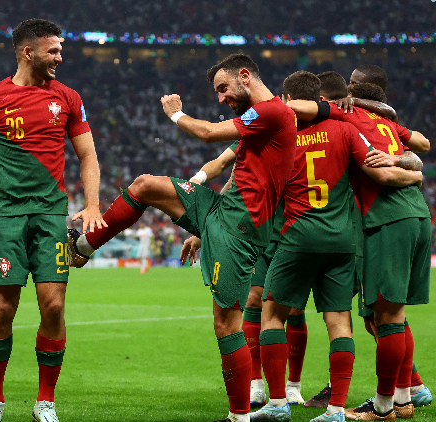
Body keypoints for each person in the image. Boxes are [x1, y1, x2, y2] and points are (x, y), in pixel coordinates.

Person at [69, 53, 297, 422]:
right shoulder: (260, 122)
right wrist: (202, 227)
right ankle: (82, 247)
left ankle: (239, 416)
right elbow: (235, 173)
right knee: (144, 185)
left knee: (226, 323)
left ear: (245, 76)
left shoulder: (272, 112)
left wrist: (176, 114)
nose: (221, 97)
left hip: (241, 228)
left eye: (223, 88)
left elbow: (208, 132)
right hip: (221, 211)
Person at [0, 18, 105, 422]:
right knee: (3, 308)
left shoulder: (68, 98)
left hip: (51, 214)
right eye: (53, 50)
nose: (60, 57)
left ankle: (45, 403)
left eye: (60, 50)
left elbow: (88, 155)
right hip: (4, 215)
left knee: (53, 306)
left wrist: (92, 204)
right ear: (28, 52)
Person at [254, 71, 423, 422]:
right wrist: (416, 174)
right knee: (344, 322)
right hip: (344, 239)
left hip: (300, 235)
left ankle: (277, 402)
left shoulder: (283, 133)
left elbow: (258, 183)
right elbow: (397, 161)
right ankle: (338, 409)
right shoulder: (347, 129)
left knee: (271, 315)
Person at [302, 72, 433, 411]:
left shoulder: (344, 116)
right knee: (386, 314)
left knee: (383, 316)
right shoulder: (384, 121)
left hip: (378, 220)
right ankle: (407, 392)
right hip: (410, 214)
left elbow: (391, 169)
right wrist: (411, 169)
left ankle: (384, 404)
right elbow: (420, 152)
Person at [181, 144, 305, 409]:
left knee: (293, 308)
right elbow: (229, 180)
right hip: (255, 231)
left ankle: (293, 386)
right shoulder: (252, 137)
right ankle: (255, 384)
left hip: (294, 231)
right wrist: (203, 230)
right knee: (252, 299)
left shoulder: (300, 137)